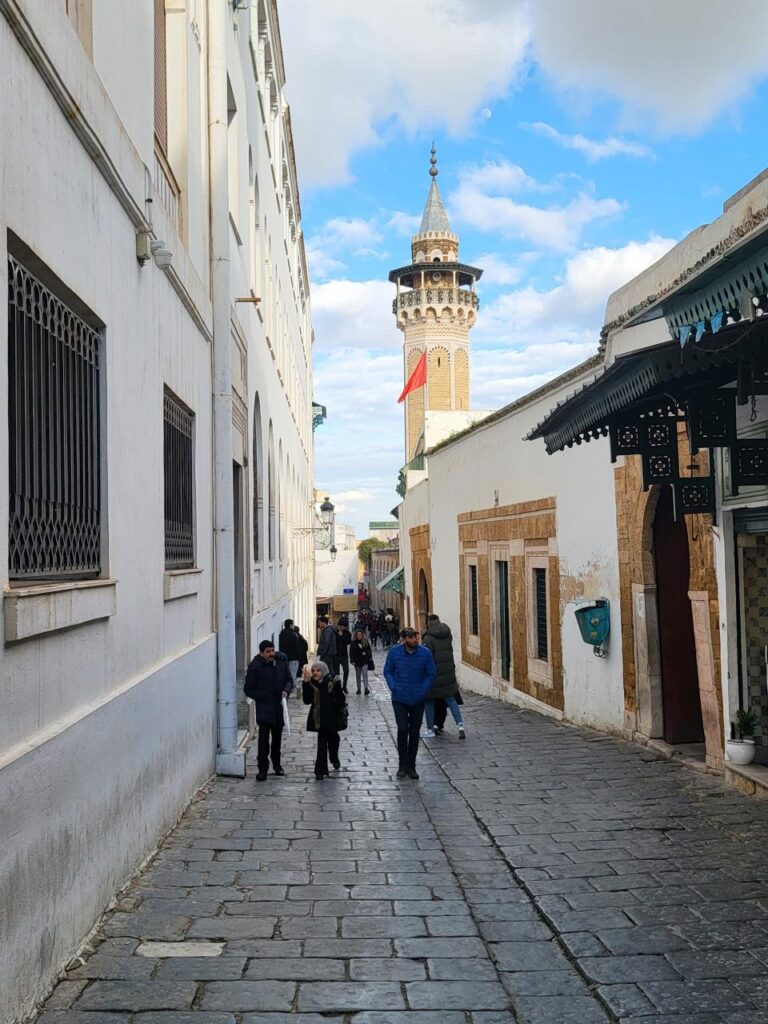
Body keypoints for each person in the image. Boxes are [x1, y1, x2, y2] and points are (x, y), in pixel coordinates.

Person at [383, 627, 435, 780]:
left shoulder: (425, 653)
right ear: (405, 639)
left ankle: (411, 766)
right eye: (411, 637)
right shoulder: (394, 652)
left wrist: (423, 690)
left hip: (418, 698)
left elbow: (431, 673)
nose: (415, 640)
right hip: (400, 697)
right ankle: (402, 765)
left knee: (414, 732)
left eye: (415, 637)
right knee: (402, 729)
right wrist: (393, 686)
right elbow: (388, 671)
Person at [244, 639, 294, 781]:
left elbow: (289, 680)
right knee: (263, 741)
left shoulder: (281, 661)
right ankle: (262, 769)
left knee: (277, 740)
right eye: (268, 652)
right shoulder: (256, 667)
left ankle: (277, 765)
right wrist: (264, 696)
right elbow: (248, 689)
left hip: (279, 707)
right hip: (265, 708)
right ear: (261, 653)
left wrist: (286, 691)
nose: (271, 653)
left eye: (272, 650)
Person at [422, 613, 465, 739]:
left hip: (434, 676)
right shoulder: (447, 634)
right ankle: (460, 725)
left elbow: (426, 659)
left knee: (429, 701)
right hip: (448, 674)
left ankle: (430, 728)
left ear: (428, 624)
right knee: (451, 700)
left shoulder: (428, 639)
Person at [303, 660, 347, 780]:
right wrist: (306, 683)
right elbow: (306, 700)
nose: (315, 673)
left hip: (332, 718)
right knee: (321, 745)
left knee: (334, 740)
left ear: (324, 671)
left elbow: (341, 699)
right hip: (320, 719)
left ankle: (334, 758)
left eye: (318, 670)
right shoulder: (311, 683)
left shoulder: (332, 681)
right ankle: (320, 770)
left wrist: (338, 687)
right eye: (313, 671)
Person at [279, 618, 302, 686]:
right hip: (293, 658)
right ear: (290, 625)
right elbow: (297, 647)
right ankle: (291, 688)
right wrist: (299, 657)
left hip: (284, 658)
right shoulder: (293, 635)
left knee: (286, 674)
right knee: (292, 674)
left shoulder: (281, 634)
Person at [350, 628, 373, 695]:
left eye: (360, 634)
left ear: (362, 635)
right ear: (356, 635)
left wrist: (365, 653)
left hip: (364, 661)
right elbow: (351, 652)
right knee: (358, 676)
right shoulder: (354, 643)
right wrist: (352, 660)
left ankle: (366, 688)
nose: (359, 636)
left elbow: (369, 651)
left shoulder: (365, 641)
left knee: (365, 674)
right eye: (358, 634)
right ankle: (359, 688)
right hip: (357, 662)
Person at [335, 619, 352, 693]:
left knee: (346, 671)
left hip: (344, 655)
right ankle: (338, 687)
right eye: (340, 626)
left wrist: (342, 636)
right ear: (338, 626)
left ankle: (344, 686)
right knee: (336, 673)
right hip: (336, 655)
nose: (342, 628)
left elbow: (349, 642)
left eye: (343, 627)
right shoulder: (335, 632)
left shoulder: (347, 633)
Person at [293, 624, 309, 692]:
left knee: (298, 669)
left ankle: (298, 682)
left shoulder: (295, 637)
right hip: (302, 655)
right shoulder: (301, 637)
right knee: (300, 668)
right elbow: (306, 645)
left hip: (299, 656)